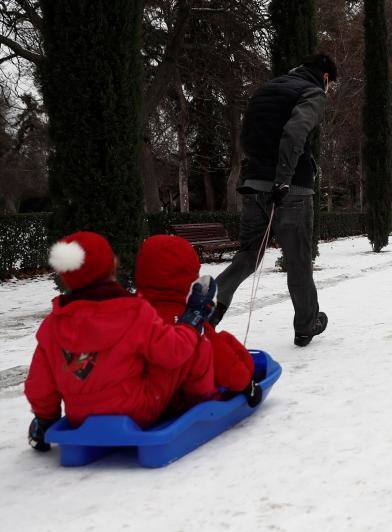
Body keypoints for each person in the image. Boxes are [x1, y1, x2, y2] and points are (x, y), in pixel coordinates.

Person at [24, 232, 217, 452]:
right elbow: (174, 351)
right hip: (137, 411)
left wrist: (46, 419)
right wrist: (192, 319)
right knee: (193, 343)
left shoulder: (52, 325)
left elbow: (40, 384)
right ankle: (201, 404)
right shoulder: (133, 312)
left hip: (79, 416)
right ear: (112, 266)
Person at [212, 52, 338, 348]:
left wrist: (258, 172)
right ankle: (306, 324)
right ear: (325, 77)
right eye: (331, 85)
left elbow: (248, 136)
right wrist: (283, 178)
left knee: (248, 256)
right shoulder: (313, 92)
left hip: (254, 184)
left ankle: (208, 308)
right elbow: (295, 132)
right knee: (298, 260)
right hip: (291, 188)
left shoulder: (266, 90)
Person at [135, 235, 262, 407]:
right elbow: (220, 357)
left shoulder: (132, 312)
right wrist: (246, 384)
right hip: (184, 399)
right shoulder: (190, 318)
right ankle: (248, 373)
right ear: (188, 276)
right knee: (219, 342)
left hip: (143, 393)